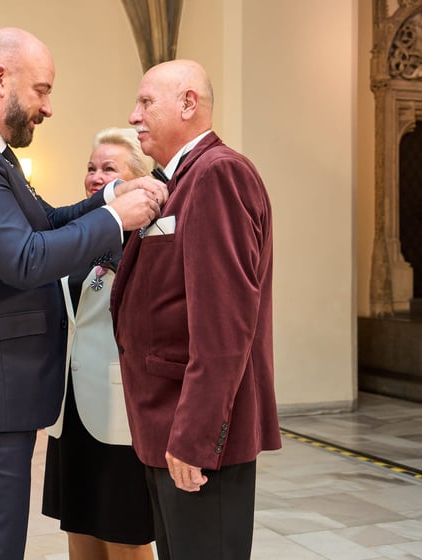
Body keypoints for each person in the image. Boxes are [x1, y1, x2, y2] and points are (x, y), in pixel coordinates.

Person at [0, 28, 168, 560]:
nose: (48, 107)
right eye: (42, 90)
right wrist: (117, 219)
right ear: (0, 78)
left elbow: (46, 221)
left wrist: (111, 195)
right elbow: (25, 257)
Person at [110, 59, 281, 560]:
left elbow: (225, 328)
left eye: (145, 102)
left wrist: (195, 437)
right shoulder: (179, 178)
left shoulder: (218, 174)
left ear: (188, 103)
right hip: (165, 424)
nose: (133, 114)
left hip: (196, 437)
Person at [42, 127, 156, 560]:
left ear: (138, 178)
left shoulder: (147, 241)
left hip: (117, 409)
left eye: (109, 168)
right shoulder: (79, 233)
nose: (96, 177)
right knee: (79, 527)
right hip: (69, 409)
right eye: (91, 168)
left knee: (123, 533)